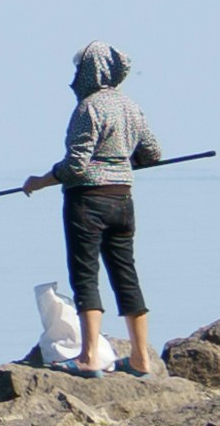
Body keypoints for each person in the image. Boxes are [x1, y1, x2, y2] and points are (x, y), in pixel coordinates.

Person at [28, 41, 166, 376]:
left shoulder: (88, 108)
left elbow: (75, 166)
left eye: (78, 69)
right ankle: (140, 359)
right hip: (123, 200)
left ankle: (89, 357)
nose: (75, 77)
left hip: (87, 201)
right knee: (126, 276)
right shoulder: (131, 107)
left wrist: (40, 181)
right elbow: (153, 153)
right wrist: (123, 160)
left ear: (90, 71)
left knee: (85, 276)